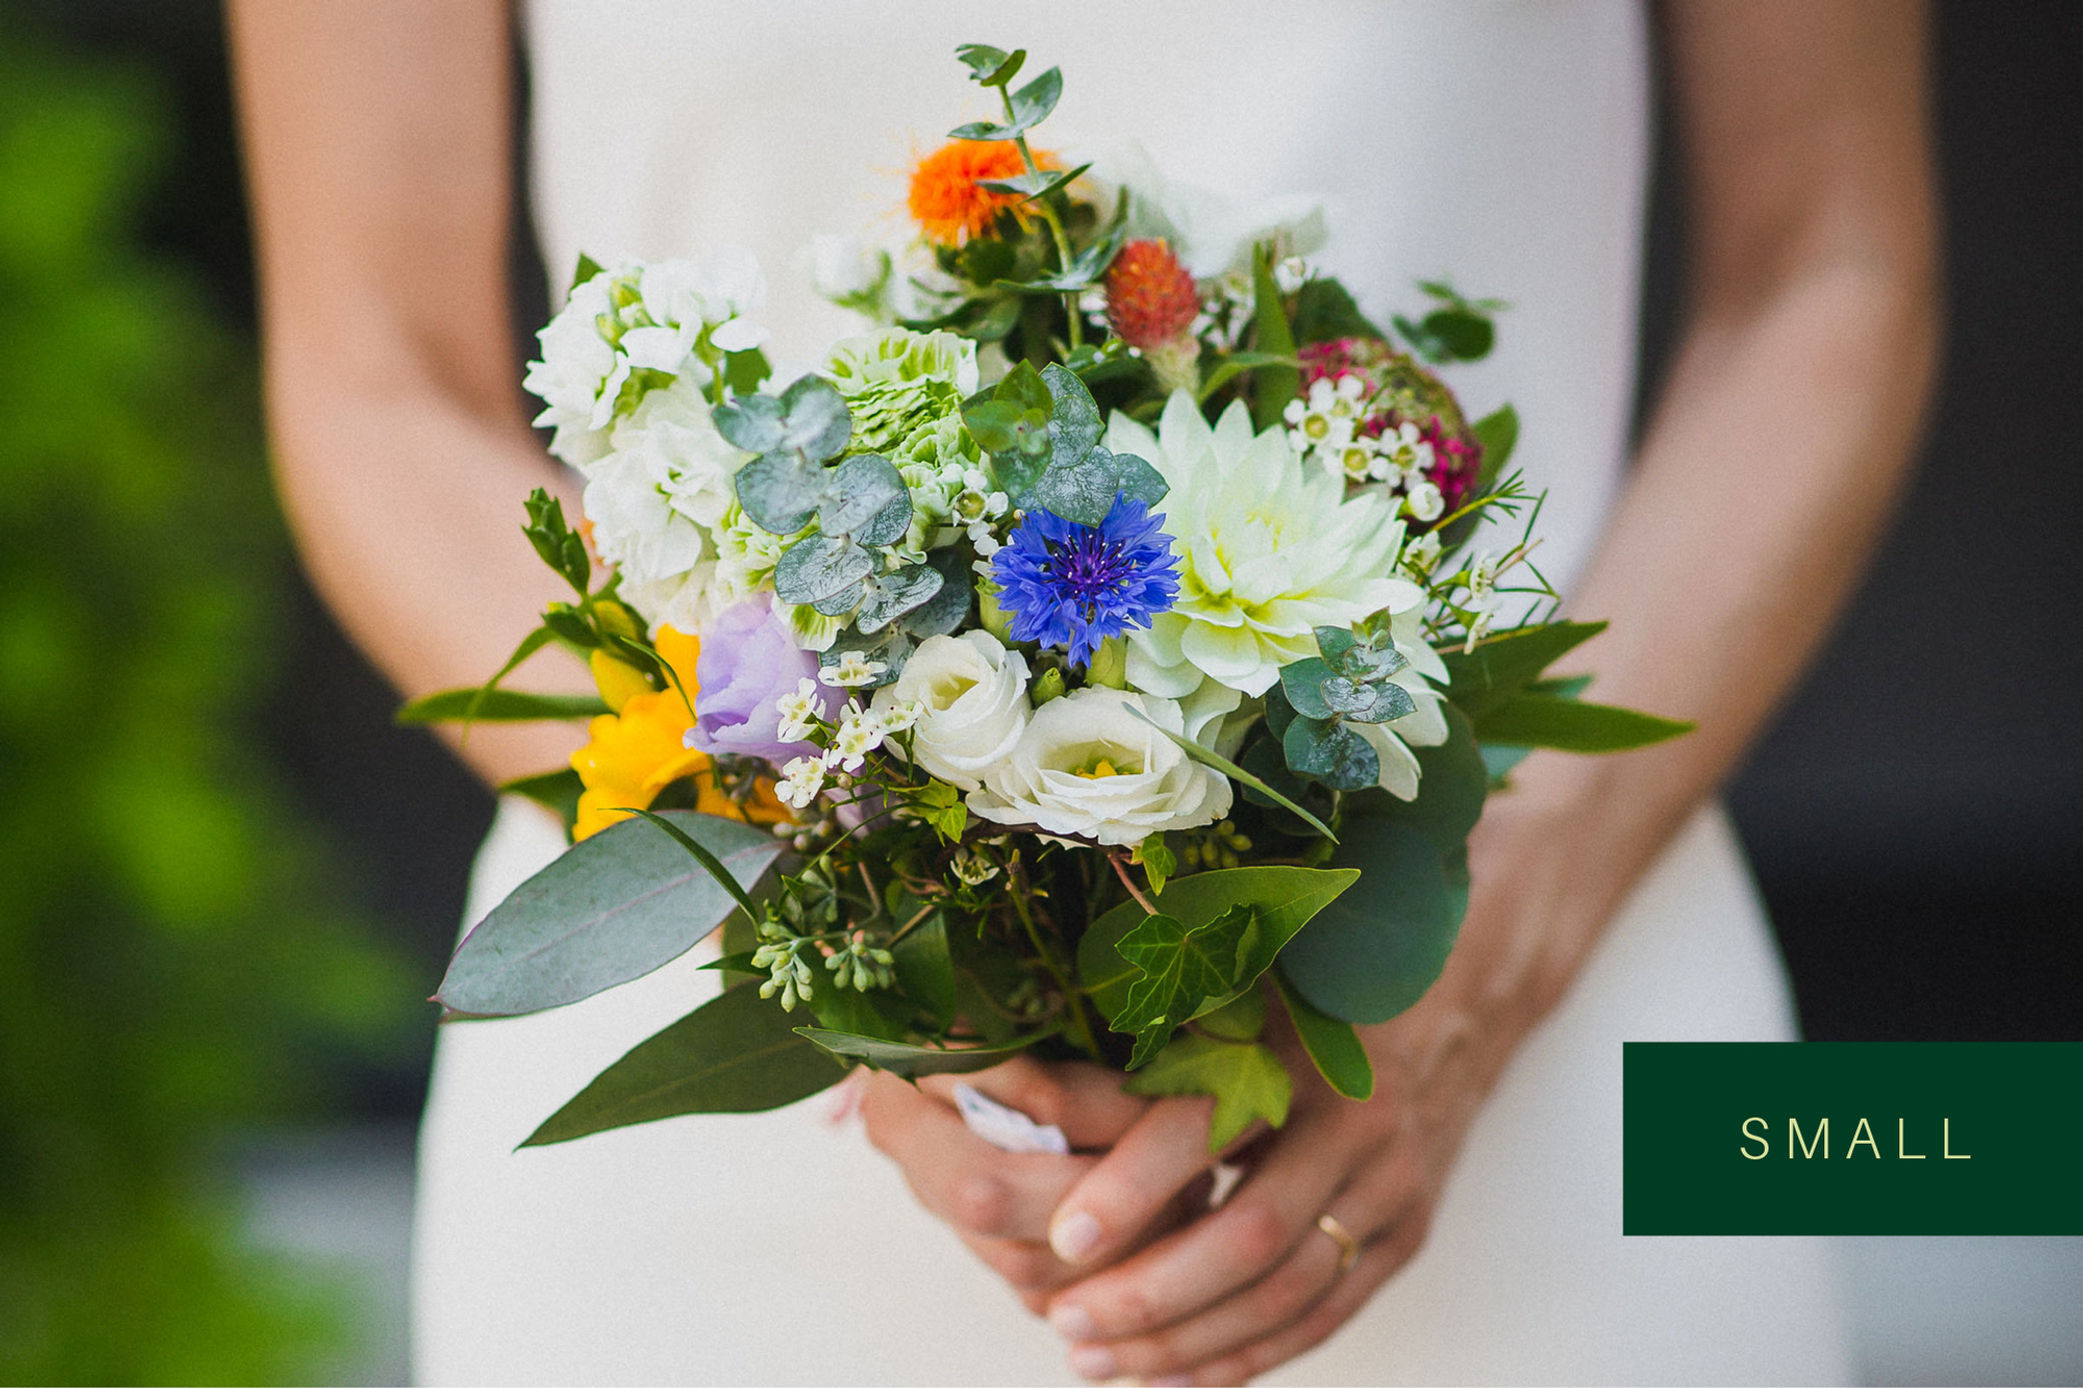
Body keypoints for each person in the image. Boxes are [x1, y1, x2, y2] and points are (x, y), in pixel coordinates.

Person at [229, 2, 1937, 1382]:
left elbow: (1824, 274)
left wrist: (1489, 952)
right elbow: (381, 382)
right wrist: (849, 922)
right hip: (732, 1126)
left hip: (1545, 1058)